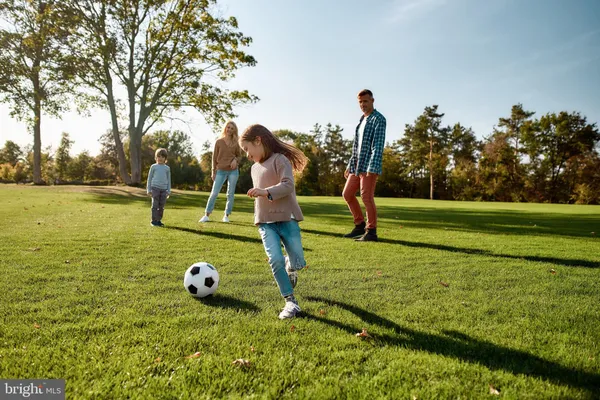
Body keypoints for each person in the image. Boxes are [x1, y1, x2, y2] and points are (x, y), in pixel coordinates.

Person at [239, 124, 308, 319]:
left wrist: (265, 192)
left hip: (287, 218)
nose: (247, 154)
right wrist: (258, 217)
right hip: (265, 222)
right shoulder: (254, 168)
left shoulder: (280, 160)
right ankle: (290, 302)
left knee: (298, 262)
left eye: (246, 149)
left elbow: (287, 185)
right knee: (274, 260)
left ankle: (291, 265)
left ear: (258, 140)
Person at [342, 89, 386, 242]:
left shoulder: (378, 119)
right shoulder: (361, 120)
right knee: (347, 194)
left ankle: (371, 231)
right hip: (356, 164)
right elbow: (356, 146)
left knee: (366, 197)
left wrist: (372, 167)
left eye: (365, 101)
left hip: (369, 165)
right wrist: (349, 164)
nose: (363, 104)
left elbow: (378, 146)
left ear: (372, 101)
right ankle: (359, 225)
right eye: (360, 102)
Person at [199, 121, 242, 223]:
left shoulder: (236, 143)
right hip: (220, 170)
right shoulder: (219, 142)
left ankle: (226, 216)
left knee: (230, 194)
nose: (230, 130)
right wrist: (213, 171)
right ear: (225, 128)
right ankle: (206, 215)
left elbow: (240, 156)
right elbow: (214, 158)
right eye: (228, 127)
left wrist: (235, 160)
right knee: (214, 193)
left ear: (234, 130)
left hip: (233, 171)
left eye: (232, 128)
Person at [146, 148, 171, 227]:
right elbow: (149, 178)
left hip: (164, 190)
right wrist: (148, 189)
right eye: (159, 156)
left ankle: (158, 220)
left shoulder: (167, 168)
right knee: (155, 205)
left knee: (161, 206)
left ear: (165, 158)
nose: (160, 158)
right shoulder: (153, 167)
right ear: (156, 157)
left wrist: (168, 191)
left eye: (162, 157)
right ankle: (153, 221)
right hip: (155, 188)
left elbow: (169, 180)